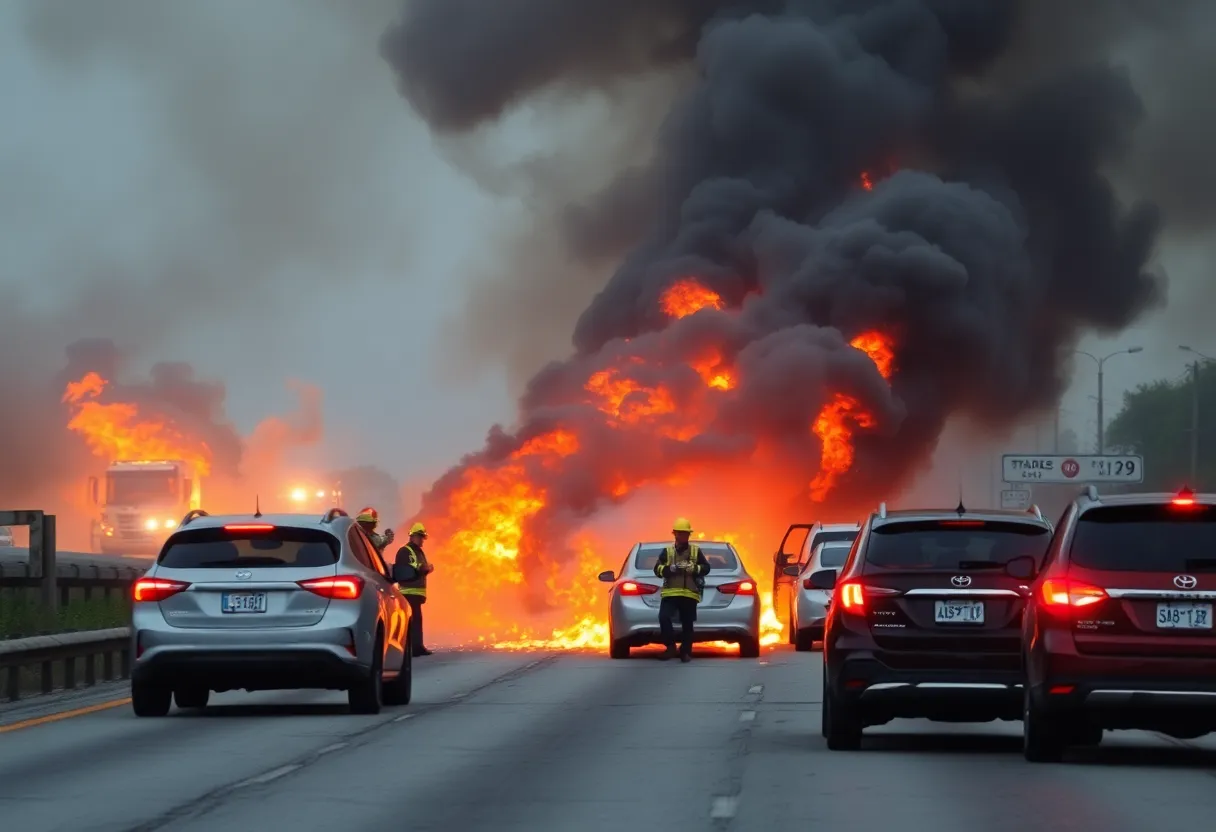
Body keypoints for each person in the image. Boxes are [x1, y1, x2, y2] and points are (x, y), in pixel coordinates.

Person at [653, 517, 711, 663]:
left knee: (687, 623)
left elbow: (706, 568)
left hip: (689, 593)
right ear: (675, 534)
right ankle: (670, 647)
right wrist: (669, 569)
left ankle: (685, 652)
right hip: (670, 593)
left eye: (686, 533)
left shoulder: (695, 551)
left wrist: (695, 568)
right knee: (664, 617)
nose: (684, 536)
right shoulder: (667, 551)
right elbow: (657, 569)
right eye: (681, 533)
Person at [394, 522, 434, 657]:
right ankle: (411, 648)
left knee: (417, 620)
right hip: (408, 593)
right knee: (411, 621)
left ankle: (417, 647)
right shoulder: (406, 551)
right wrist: (425, 568)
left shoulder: (418, 551)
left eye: (423, 537)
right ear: (412, 536)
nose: (422, 540)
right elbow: (409, 569)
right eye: (420, 537)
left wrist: (426, 569)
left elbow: (418, 569)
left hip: (416, 594)